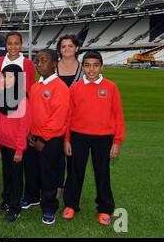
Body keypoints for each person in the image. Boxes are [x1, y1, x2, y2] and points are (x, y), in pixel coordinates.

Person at [62, 51, 125, 226]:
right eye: (88, 65)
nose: (91, 69)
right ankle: (71, 205)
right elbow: (68, 115)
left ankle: (105, 208)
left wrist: (117, 141)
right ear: (83, 67)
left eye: (95, 65)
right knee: (75, 172)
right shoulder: (75, 88)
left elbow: (118, 115)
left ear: (101, 66)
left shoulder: (111, 87)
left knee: (102, 173)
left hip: (104, 138)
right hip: (78, 136)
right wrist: (67, 138)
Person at [28, 49, 70, 225]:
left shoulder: (60, 87)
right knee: (33, 172)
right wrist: (30, 132)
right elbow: (31, 112)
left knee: (48, 175)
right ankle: (33, 198)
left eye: (43, 61)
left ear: (54, 64)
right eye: (37, 61)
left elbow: (58, 117)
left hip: (50, 140)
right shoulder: (35, 86)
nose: (39, 64)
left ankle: (49, 208)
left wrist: (43, 139)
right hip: (33, 136)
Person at [0, 64, 32, 222]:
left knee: (16, 178)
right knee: (7, 175)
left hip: (17, 147)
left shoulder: (23, 97)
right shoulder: (1, 95)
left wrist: (20, 149)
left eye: (10, 76)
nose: (5, 79)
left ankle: (15, 208)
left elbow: (25, 125)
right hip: (4, 144)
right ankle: (7, 201)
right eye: (3, 76)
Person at [55, 34, 84, 199]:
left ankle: (71, 191)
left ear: (77, 48)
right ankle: (58, 186)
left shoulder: (84, 68)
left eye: (70, 46)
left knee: (74, 157)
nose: (67, 49)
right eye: (63, 46)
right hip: (57, 119)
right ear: (59, 49)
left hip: (77, 121)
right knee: (57, 156)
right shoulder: (52, 67)